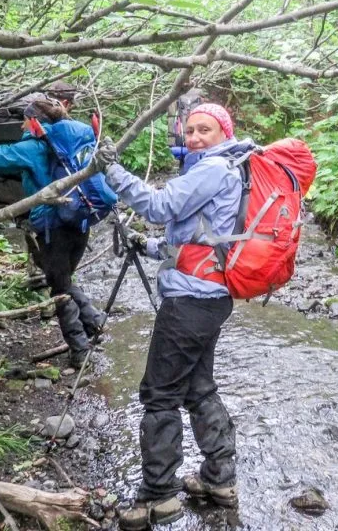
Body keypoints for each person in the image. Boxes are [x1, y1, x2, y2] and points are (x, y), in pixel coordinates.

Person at [92, 103, 253, 530]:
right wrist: (148, 247)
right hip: (210, 296)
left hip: (189, 302)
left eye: (205, 129)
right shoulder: (229, 168)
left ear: (224, 132)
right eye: (190, 130)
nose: (195, 137)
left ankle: (158, 495)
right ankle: (219, 478)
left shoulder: (213, 169)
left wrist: (112, 170)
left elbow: (160, 207)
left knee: (160, 394)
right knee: (197, 388)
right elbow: (201, 238)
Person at [0, 94, 106, 369]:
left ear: (34, 123)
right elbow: (31, 171)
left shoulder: (31, 147)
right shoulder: (72, 141)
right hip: (80, 219)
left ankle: (81, 349)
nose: (21, 126)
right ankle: (93, 323)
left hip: (53, 228)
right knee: (63, 278)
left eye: (24, 122)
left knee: (60, 287)